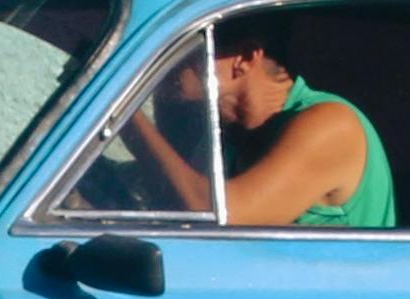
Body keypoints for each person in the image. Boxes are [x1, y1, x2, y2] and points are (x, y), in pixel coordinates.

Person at [117, 33, 393, 228]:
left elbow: (220, 216)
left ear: (245, 59)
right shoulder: (223, 137)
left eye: (183, 51)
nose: (164, 64)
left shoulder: (331, 124)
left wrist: (122, 112)